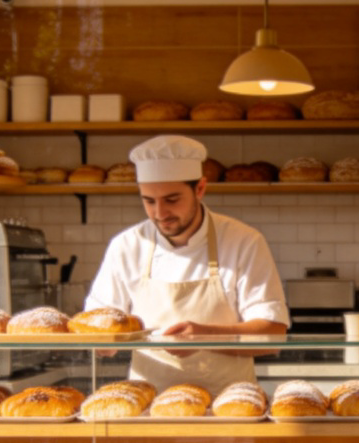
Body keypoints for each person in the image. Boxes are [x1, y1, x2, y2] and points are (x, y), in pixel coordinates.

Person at [85, 134, 290, 391]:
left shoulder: (244, 241)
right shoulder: (126, 246)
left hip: (229, 406)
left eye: (172, 200)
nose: (160, 214)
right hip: (148, 406)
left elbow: (273, 334)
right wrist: (103, 344)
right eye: (149, 201)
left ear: (200, 189)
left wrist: (204, 337)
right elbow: (97, 325)